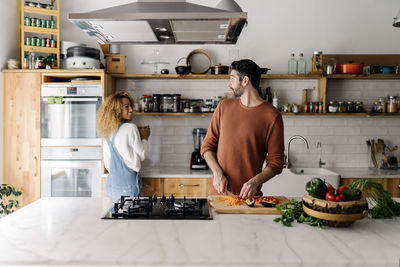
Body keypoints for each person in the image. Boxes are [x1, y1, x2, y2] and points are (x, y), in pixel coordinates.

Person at [200, 59, 284, 199]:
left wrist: (255, 182)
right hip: (217, 196)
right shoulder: (223, 107)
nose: (229, 84)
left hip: (249, 200)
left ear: (245, 81)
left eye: (232, 79)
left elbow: (276, 163)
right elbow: (207, 147)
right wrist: (217, 173)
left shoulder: (272, 116)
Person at [97, 92, 150, 197]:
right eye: (127, 107)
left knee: (115, 213)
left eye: (130, 106)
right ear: (116, 109)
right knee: (133, 213)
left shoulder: (107, 130)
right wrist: (145, 138)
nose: (131, 110)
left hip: (111, 186)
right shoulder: (130, 128)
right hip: (129, 185)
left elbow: (108, 165)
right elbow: (142, 155)